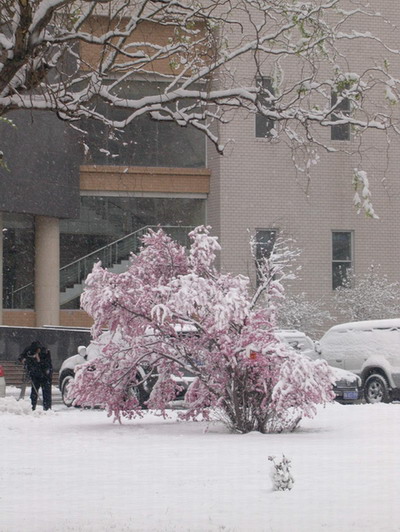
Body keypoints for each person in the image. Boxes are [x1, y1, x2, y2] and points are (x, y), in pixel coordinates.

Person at [19, 341, 53, 410]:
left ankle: (47, 408)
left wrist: (39, 360)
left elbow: (47, 364)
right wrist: (23, 360)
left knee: (46, 392)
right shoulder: (28, 350)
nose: (37, 352)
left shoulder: (45, 352)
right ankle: (32, 406)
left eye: (38, 350)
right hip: (35, 374)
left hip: (45, 375)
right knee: (34, 392)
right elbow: (21, 357)